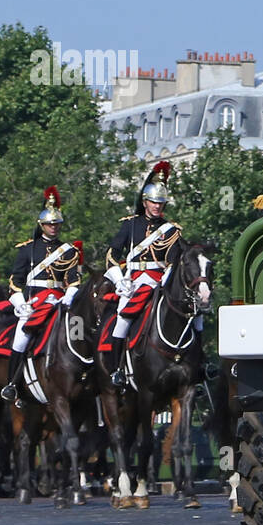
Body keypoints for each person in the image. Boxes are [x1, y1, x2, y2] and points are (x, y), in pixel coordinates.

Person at [104, 161, 184, 388]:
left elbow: (175, 261)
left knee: (192, 313)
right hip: (134, 281)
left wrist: (167, 281)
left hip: (160, 281)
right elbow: (111, 255)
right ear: (145, 202)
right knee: (122, 318)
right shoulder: (130, 225)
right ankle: (116, 370)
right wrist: (120, 280)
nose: (157, 206)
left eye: (161, 202)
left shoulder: (172, 230)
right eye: (153, 202)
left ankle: (198, 367)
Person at [0, 187, 83, 401]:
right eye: (49, 224)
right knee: (21, 337)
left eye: (56, 224)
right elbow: (15, 282)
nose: (53, 227)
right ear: (41, 225)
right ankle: (12, 384)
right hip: (34, 303)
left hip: (58, 301)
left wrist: (69, 295)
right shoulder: (27, 249)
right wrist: (20, 304)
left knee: (80, 329)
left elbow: (74, 279)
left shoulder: (69, 251)